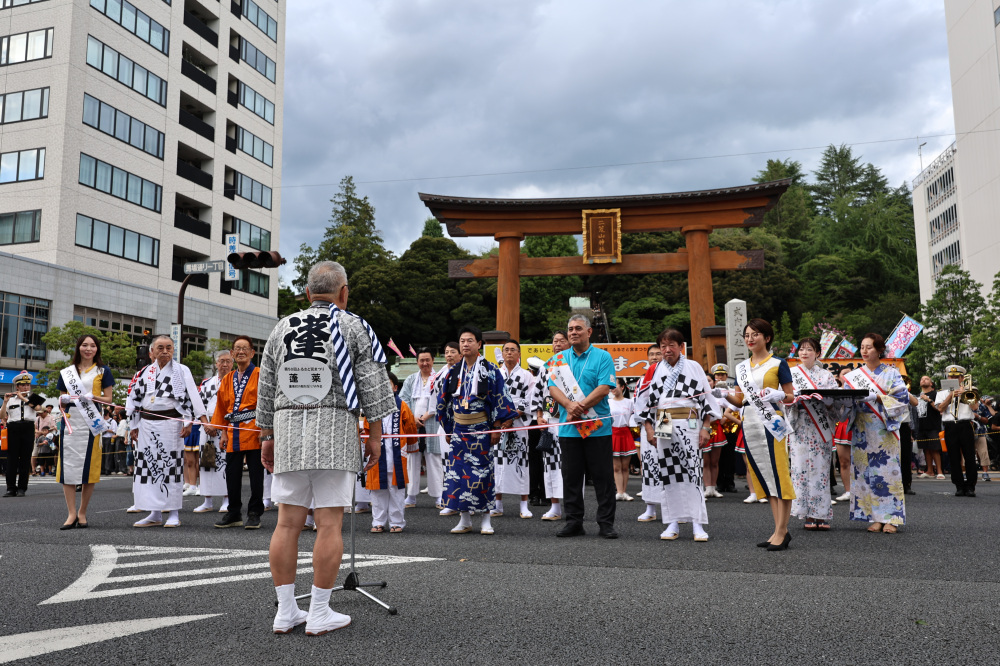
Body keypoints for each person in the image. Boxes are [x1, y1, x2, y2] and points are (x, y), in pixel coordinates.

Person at [260, 261, 395, 635]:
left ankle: (286, 610)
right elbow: (373, 386)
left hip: (287, 430)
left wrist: (266, 435)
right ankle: (319, 610)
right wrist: (375, 435)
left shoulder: (282, 327)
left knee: (286, 522)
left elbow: (266, 385)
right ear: (343, 292)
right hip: (334, 428)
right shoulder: (352, 326)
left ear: (307, 294)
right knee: (329, 522)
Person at [715, 318, 795, 550]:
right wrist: (723, 394)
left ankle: (781, 531)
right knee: (764, 474)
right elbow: (740, 400)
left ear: (767, 338)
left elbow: (791, 396)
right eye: (747, 335)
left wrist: (778, 395)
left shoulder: (778, 363)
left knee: (779, 474)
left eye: (755, 334)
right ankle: (779, 529)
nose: (750, 339)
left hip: (771, 422)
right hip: (750, 421)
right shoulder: (741, 367)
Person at [437, 325, 517, 535]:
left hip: (481, 428)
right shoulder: (453, 371)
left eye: (469, 340)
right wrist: (447, 428)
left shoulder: (490, 370)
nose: (465, 344)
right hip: (459, 429)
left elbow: (501, 398)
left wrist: (497, 428)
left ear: (479, 344)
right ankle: (464, 519)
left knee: (483, 474)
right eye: (462, 340)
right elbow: (442, 402)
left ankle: (486, 519)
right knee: (457, 474)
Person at [638, 328, 715, 542]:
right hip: (663, 419)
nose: (666, 349)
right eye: (663, 346)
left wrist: (706, 427)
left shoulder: (693, 367)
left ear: (681, 347)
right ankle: (672, 522)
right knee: (668, 471)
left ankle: (697, 524)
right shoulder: (653, 370)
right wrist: (649, 428)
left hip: (689, 419)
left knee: (693, 469)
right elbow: (644, 402)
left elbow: (706, 399)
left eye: (671, 345)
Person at [126, 335, 209, 528]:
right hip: (147, 425)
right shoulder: (144, 372)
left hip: (171, 425)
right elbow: (133, 399)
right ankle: (154, 512)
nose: (165, 351)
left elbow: (193, 398)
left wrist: (189, 422)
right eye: (160, 348)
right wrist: (134, 425)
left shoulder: (181, 371)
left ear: (174, 350)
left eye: (169, 348)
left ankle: (173, 512)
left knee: (170, 466)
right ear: (152, 352)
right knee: (148, 467)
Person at [548, 315, 618, 539]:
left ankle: (606, 523)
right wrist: (569, 405)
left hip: (598, 427)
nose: (573, 332)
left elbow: (605, 386)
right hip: (569, 429)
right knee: (571, 477)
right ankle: (574, 521)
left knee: (603, 477)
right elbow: (553, 388)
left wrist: (579, 407)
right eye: (570, 329)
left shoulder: (603, 357)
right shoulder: (558, 359)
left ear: (589, 332)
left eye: (578, 328)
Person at [841, 334, 909, 531]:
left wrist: (878, 398)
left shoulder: (891, 373)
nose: (864, 351)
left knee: (888, 473)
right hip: (861, 428)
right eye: (862, 347)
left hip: (883, 428)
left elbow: (902, 399)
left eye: (869, 347)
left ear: (879, 349)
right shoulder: (853, 376)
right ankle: (875, 517)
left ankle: (892, 518)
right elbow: (844, 403)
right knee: (865, 473)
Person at [56, 334, 114, 529]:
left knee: (89, 468)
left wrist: (94, 397)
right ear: (78, 347)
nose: (88, 349)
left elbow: (108, 399)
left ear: (97, 349)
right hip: (71, 423)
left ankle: (82, 512)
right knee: (68, 467)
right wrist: (63, 401)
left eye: (92, 346)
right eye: (84, 345)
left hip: (92, 423)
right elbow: (62, 397)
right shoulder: (67, 373)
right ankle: (71, 513)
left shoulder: (103, 371)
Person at [209, 336, 265, 529]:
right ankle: (233, 513)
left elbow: (266, 404)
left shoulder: (260, 374)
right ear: (232, 354)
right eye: (237, 349)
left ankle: (255, 512)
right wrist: (223, 433)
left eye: (245, 348)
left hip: (255, 429)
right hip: (233, 432)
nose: (241, 352)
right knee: (232, 474)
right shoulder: (228, 378)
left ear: (252, 353)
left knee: (256, 474)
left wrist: (265, 430)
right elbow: (222, 408)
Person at [785, 337, 838, 530]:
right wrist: (795, 400)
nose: (804, 353)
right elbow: (784, 399)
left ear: (817, 353)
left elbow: (834, 400)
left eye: (809, 349)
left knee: (820, 470)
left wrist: (823, 399)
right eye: (801, 350)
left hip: (819, 428)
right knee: (799, 469)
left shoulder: (826, 376)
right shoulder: (791, 374)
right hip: (799, 426)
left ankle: (821, 514)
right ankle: (806, 513)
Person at [363, 372, 417, 533]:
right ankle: (378, 521)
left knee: (396, 489)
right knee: (378, 491)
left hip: (397, 453)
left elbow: (410, 427)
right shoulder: (372, 407)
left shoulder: (402, 406)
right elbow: (366, 428)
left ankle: (397, 522)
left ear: (395, 387)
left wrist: (412, 446)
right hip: (378, 452)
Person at [530, 331, 570, 521]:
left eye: (562, 341)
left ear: (569, 344)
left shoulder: (573, 365)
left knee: (572, 465)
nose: (558, 344)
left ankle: (573, 506)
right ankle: (555, 506)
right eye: (555, 341)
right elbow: (537, 395)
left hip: (571, 420)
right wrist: (539, 416)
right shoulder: (546, 367)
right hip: (550, 419)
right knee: (550, 465)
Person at [494, 340, 534, 519]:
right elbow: (491, 398)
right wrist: (501, 418)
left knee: (521, 462)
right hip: (499, 424)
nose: (509, 353)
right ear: (502, 354)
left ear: (519, 354)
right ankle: (497, 504)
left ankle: (523, 504)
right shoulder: (495, 375)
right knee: (497, 463)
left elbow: (531, 399)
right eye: (506, 350)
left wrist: (513, 416)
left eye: (513, 350)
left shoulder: (527, 375)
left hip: (518, 423)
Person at [399, 348, 443, 508]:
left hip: (433, 424)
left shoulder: (439, 378)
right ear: (417, 362)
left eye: (427, 360)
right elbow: (403, 400)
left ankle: (439, 496)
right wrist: (413, 418)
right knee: (412, 459)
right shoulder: (411, 379)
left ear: (433, 361)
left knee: (434, 459)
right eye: (421, 360)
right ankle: (411, 496)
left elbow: (443, 401)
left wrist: (426, 416)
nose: (425, 363)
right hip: (413, 426)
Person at [193, 350, 232, 514]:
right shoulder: (207, 383)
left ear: (232, 363)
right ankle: (207, 500)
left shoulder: (235, 381)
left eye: (228, 361)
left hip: (227, 427)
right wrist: (206, 424)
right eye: (221, 361)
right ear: (216, 364)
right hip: (207, 427)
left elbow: (233, 408)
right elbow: (198, 405)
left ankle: (227, 499)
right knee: (206, 463)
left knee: (226, 463)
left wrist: (221, 426)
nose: (224, 364)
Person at [632, 344, 663, 522]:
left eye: (658, 354)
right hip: (647, 424)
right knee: (650, 465)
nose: (654, 357)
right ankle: (650, 508)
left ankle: (672, 509)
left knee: (668, 463)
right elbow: (638, 405)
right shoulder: (642, 380)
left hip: (667, 421)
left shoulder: (670, 376)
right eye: (651, 354)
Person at [2, 371, 42, 497]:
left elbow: (38, 408)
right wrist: (4, 402)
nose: (26, 387)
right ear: (17, 386)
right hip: (13, 428)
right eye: (23, 385)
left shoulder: (33, 397)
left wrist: (24, 398)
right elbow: (2, 416)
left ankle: (22, 488)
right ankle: (10, 488)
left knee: (25, 459)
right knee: (12, 459)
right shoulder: (10, 400)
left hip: (28, 428)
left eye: (28, 384)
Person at [435, 341, 461, 514]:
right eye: (446, 352)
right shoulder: (441, 372)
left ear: (460, 354)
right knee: (447, 464)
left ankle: (466, 505)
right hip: (445, 423)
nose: (449, 355)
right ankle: (450, 502)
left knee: (463, 465)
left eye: (453, 352)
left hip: (462, 422)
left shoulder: (465, 371)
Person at [609, 378, 635, 501]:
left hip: (625, 433)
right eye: (611, 386)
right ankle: (619, 492)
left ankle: (624, 492)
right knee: (616, 467)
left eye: (615, 386)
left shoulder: (630, 402)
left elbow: (634, 418)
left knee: (625, 466)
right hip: (613, 433)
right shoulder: (608, 402)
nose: (613, 388)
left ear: (622, 387)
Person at [915, 375, 945, 479]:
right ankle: (929, 471)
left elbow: (939, 409)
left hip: (933, 426)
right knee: (926, 449)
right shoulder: (917, 396)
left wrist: (928, 399)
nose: (923, 380)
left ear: (931, 383)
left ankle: (939, 471)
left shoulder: (935, 394)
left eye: (926, 379)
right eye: (922, 379)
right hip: (921, 426)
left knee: (935, 449)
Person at [33, 404, 57, 476]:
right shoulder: (37, 418)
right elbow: (35, 428)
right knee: (34, 454)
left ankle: (51, 469)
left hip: (49, 438)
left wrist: (46, 431)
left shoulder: (51, 418)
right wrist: (39, 432)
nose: (39, 413)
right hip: (39, 437)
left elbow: (54, 427)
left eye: (41, 412)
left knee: (52, 452)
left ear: (45, 412)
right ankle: (34, 470)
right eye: (39, 412)